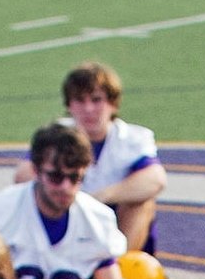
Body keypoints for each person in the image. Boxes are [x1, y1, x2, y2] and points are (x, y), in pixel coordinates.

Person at [0, 123, 132, 279]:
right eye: (56, 176)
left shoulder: (97, 218)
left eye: (75, 177)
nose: (66, 187)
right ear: (36, 170)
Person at [57, 61, 165, 251]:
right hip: (70, 218)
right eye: (80, 100)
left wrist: (102, 196)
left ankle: (121, 267)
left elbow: (155, 179)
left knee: (141, 202)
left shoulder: (133, 137)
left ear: (112, 104)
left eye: (96, 99)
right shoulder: (56, 136)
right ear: (69, 105)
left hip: (117, 222)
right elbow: (24, 175)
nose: (88, 109)